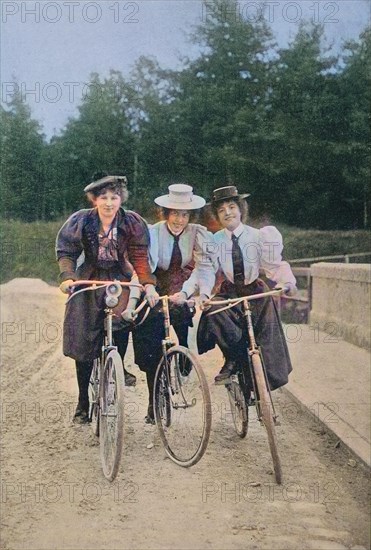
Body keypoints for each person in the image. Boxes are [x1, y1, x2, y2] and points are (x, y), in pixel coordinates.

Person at [56, 173, 159, 424]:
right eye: (104, 198)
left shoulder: (132, 222)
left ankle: (117, 363)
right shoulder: (81, 221)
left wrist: (147, 283)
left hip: (119, 276)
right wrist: (68, 277)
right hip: (90, 276)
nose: (110, 203)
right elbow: (67, 251)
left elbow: (139, 256)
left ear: (121, 199)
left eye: (114, 197)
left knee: (123, 316)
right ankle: (83, 402)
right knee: (82, 329)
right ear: (94, 200)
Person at [124, 183, 215, 423]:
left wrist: (195, 293)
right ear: (165, 213)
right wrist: (146, 289)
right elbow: (144, 266)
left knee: (183, 314)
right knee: (149, 337)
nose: (179, 219)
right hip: (154, 282)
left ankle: (183, 353)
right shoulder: (152, 233)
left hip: (182, 283)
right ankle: (155, 399)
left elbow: (203, 268)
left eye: (184, 214)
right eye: (174, 213)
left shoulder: (197, 232)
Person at [197, 185, 297, 392]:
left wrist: (286, 283)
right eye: (222, 210)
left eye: (232, 207)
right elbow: (207, 270)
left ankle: (263, 387)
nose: (228, 213)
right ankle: (232, 359)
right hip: (230, 291)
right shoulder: (214, 241)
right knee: (214, 310)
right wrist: (205, 293)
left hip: (255, 291)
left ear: (241, 209)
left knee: (264, 337)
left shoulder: (259, 236)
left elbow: (273, 265)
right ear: (217, 216)